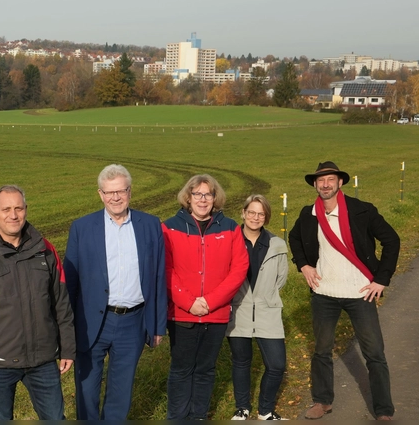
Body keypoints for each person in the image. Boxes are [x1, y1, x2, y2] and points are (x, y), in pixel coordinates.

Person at [0, 185, 76, 420]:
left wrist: (68, 347)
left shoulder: (45, 250)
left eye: (18, 208)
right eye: (6, 209)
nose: (13, 215)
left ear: (26, 210)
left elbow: (61, 301)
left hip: (43, 359)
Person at [289, 161, 399, 420]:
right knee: (322, 350)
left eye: (330, 179)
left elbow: (391, 240)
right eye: (321, 180)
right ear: (315, 184)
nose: (325, 184)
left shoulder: (362, 211)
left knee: (374, 353)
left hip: (361, 292)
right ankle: (322, 401)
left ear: (340, 183)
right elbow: (294, 238)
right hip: (324, 293)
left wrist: (381, 279)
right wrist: (303, 265)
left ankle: (383, 410)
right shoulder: (308, 214)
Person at [63, 164, 167, 420]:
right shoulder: (82, 227)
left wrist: (156, 326)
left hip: (133, 321)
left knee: (121, 390)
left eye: (120, 191)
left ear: (130, 192)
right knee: (87, 389)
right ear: (100, 194)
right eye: (109, 192)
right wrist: (67, 330)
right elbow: (70, 281)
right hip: (91, 322)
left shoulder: (150, 225)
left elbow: (158, 276)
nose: (115, 197)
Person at [162, 174, 249, 420]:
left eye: (208, 194)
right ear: (188, 198)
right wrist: (189, 302)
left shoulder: (230, 227)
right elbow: (166, 270)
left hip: (216, 314)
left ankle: (198, 416)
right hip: (182, 314)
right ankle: (177, 418)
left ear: (215, 198)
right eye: (197, 194)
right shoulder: (169, 227)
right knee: (181, 369)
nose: (203, 200)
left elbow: (239, 268)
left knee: (205, 369)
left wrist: (211, 301)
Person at [226, 194, 289, 420]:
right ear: (243, 213)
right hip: (239, 310)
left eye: (260, 213)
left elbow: (281, 279)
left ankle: (265, 410)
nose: (255, 217)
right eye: (251, 212)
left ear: (266, 217)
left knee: (276, 365)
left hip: (267, 310)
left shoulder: (277, 244)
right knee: (241, 362)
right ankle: (242, 407)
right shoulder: (230, 241)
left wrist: (265, 296)